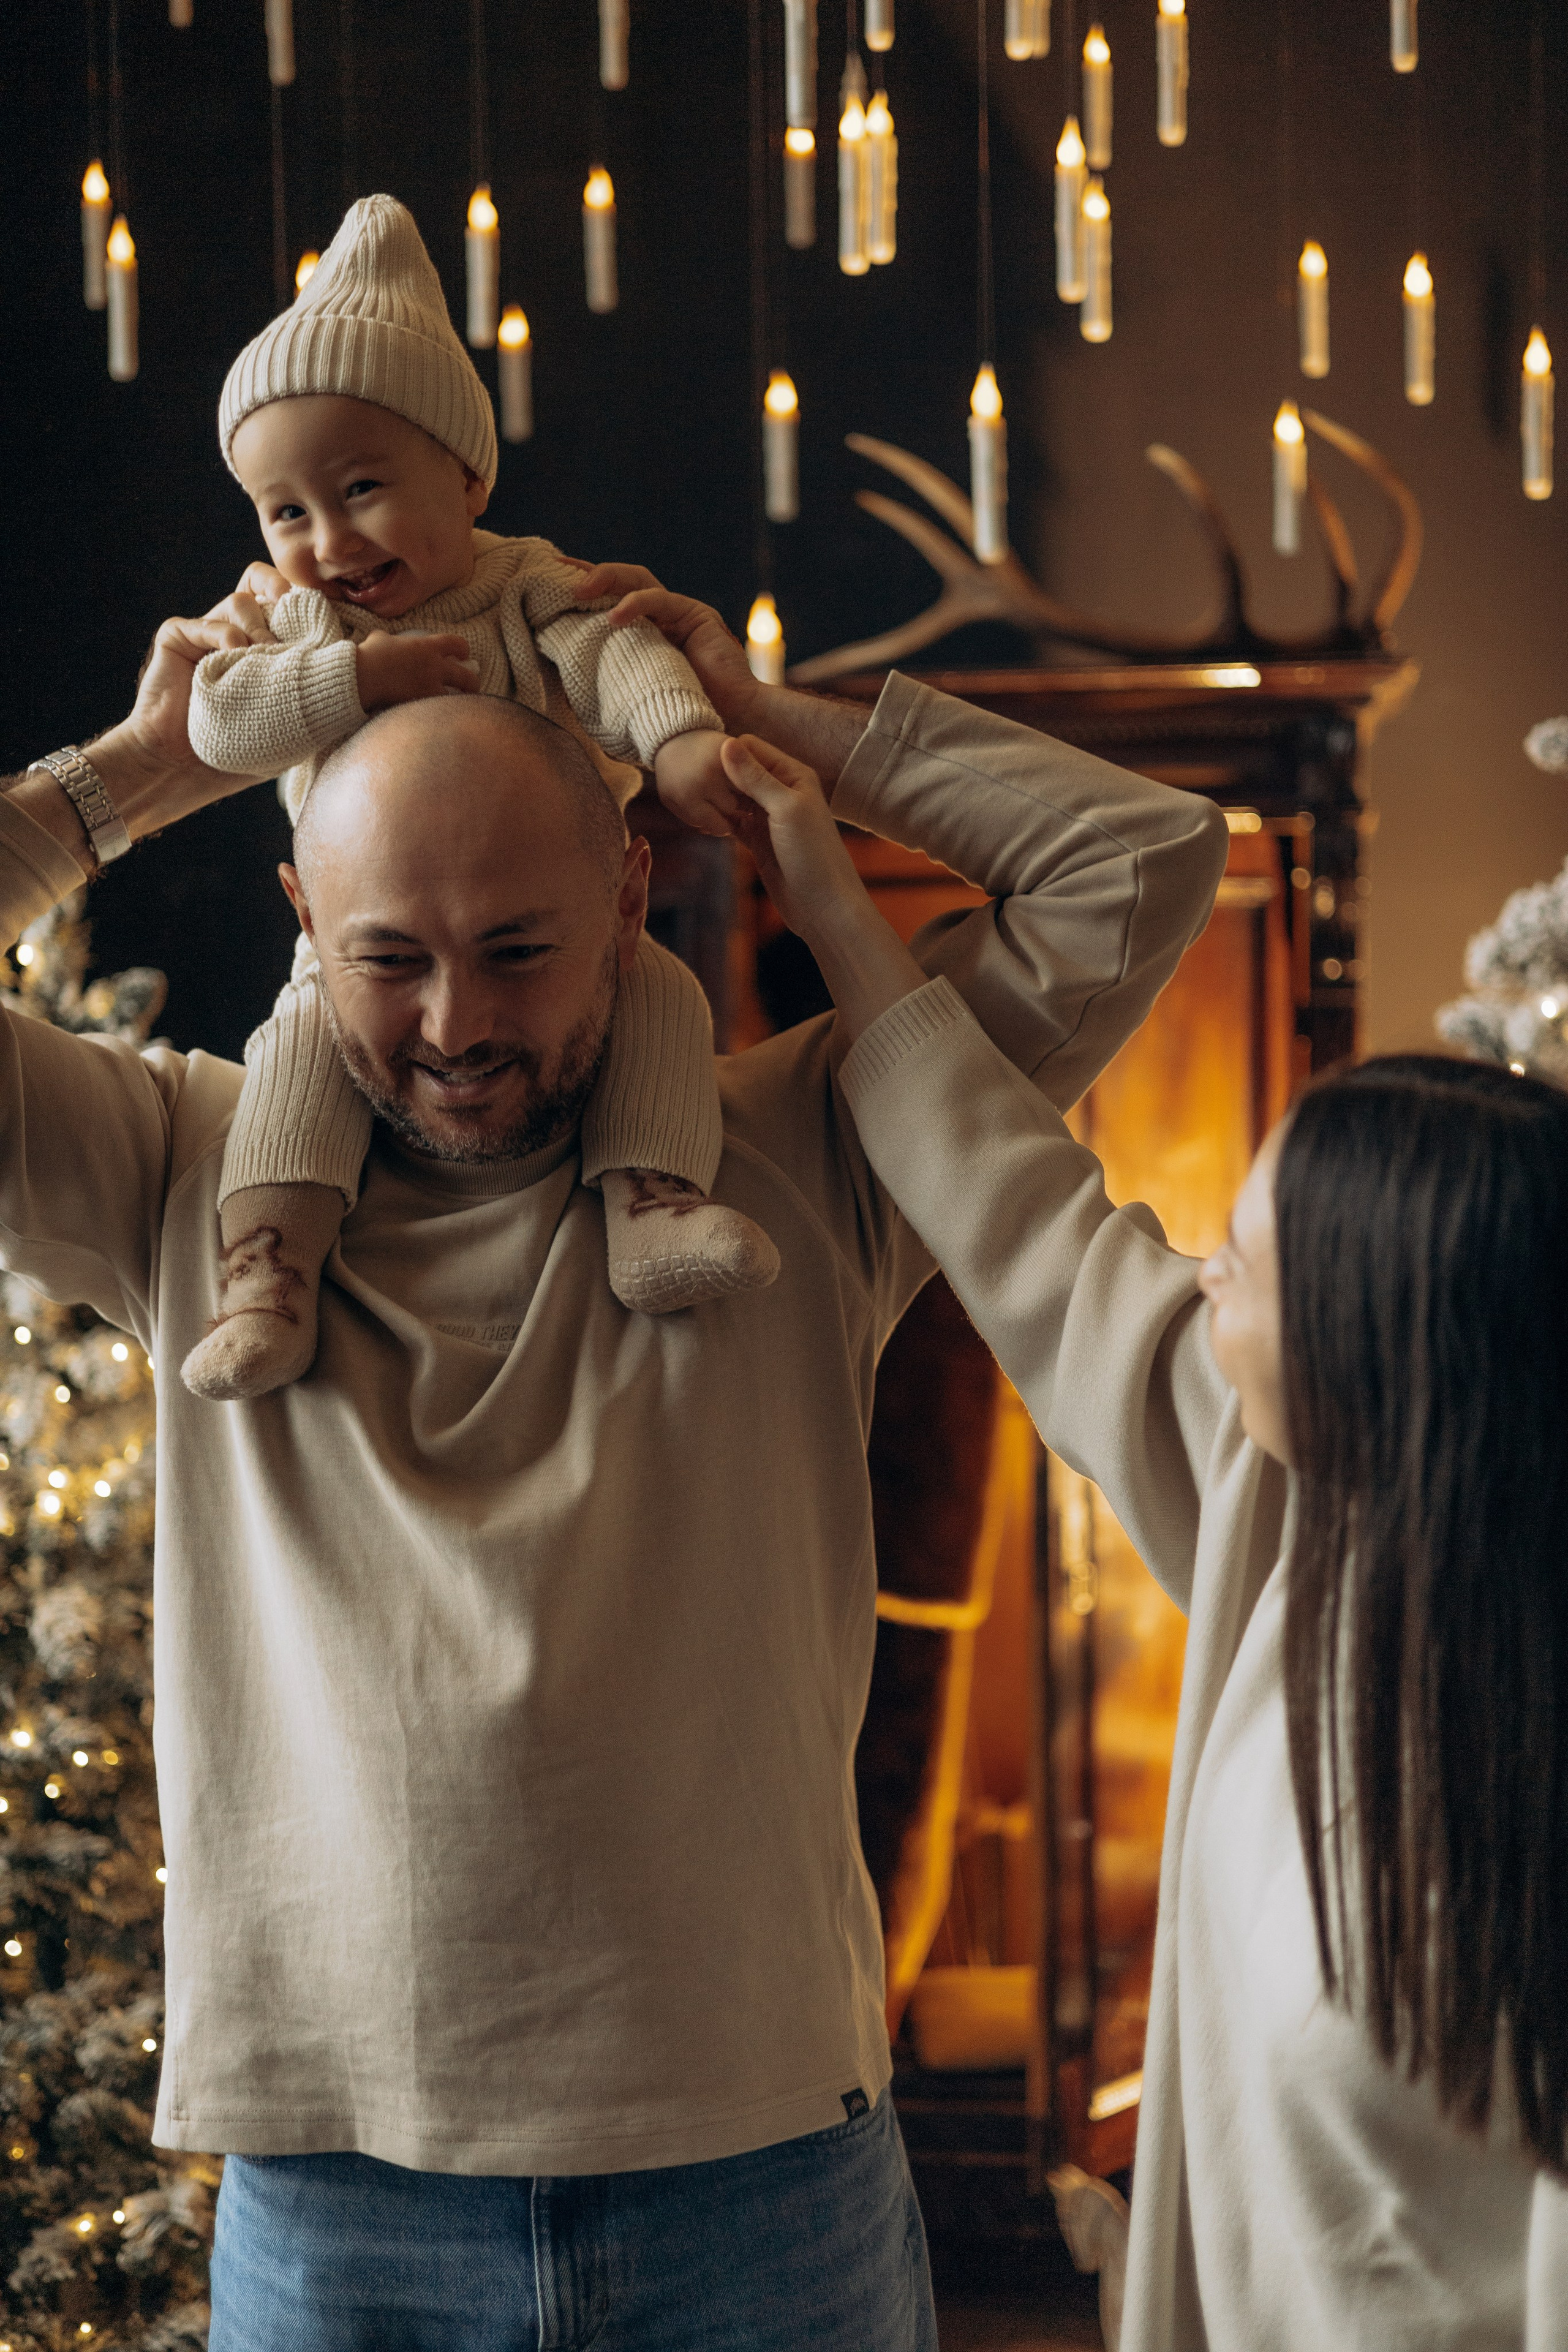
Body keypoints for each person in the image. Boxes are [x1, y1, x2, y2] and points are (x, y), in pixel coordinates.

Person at [0, 575, 1226, 2348]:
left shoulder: (815, 1136)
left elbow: (1141, 866)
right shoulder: (186, 1175)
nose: (454, 1027)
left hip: (765, 2188)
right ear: (300, 916)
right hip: (344, 2201)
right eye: (387, 958)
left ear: (633, 889)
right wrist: (135, 771)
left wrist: (762, 727)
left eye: (517, 949)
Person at [728, 729, 1568, 2350]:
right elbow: (1025, 1214)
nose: (1192, 1284)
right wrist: (824, 880)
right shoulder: (1282, 1510)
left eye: (1238, 1269)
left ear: (1371, 1346)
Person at [181, 192, 777, 1404]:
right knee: (296, 1048)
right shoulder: (298, 622)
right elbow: (217, 721)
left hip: (564, 922)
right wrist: (352, 673)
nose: (326, 540)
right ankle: (270, 1266)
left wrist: (676, 748)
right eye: (285, 510)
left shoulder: (528, 588)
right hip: (359, 944)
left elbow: (625, 662)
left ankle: (652, 1198)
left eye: (359, 490)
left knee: (657, 994)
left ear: (463, 476)